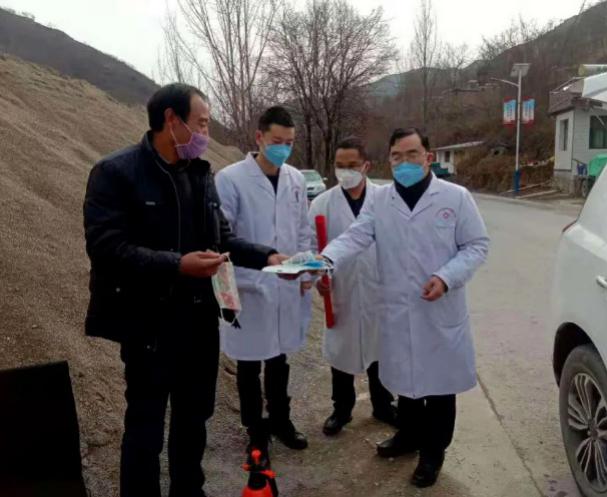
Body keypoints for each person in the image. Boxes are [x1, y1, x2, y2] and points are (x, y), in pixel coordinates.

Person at [83, 83, 288, 497]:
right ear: (171, 120)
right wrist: (178, 265)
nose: (206, 134)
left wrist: (269, 256)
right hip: (149, 325)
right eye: (202, 124)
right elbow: (107, 248)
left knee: (194, 421)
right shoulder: (116, 172)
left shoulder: (200, 174)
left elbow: (222, 240)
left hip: (199, 323)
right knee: (145, 426)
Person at [321, 128, 489, 488]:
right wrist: (325, 259)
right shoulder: (380, 201)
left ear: (429, 157)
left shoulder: (456, 198)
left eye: (412, 154)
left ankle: (433, 452)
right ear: (389, 160)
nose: (405, 162)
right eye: (397, 156)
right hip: (398, 309)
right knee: (406, 381)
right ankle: (408, 436)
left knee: (439, 386)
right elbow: (355, 236)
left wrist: (446, 277)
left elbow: (477, 246)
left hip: (439, 308)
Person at [214, 106, 312, 466]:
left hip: (285, 285)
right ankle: (255, 432)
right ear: (259, 137)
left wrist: (306, 270)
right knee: (248, 363)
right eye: (277, 141)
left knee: (279, 358)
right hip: (248, 287)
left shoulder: (295, 179)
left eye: (289, 142)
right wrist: (228, 292)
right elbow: (222, 236)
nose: (283, 148)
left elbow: (303, 229)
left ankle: (281, 421)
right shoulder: (230, 179)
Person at [308, 137, 396, 436]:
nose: (345, 172)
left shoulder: (385, 199)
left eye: (352, 165)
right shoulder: (322, 204)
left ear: (366, 166)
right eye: (340, 166)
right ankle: (341, 409)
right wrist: (316, 278)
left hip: (379, 287)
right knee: (341, 351)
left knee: (380, 350)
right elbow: (311, 247)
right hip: (340, 287)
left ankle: (383, 405)